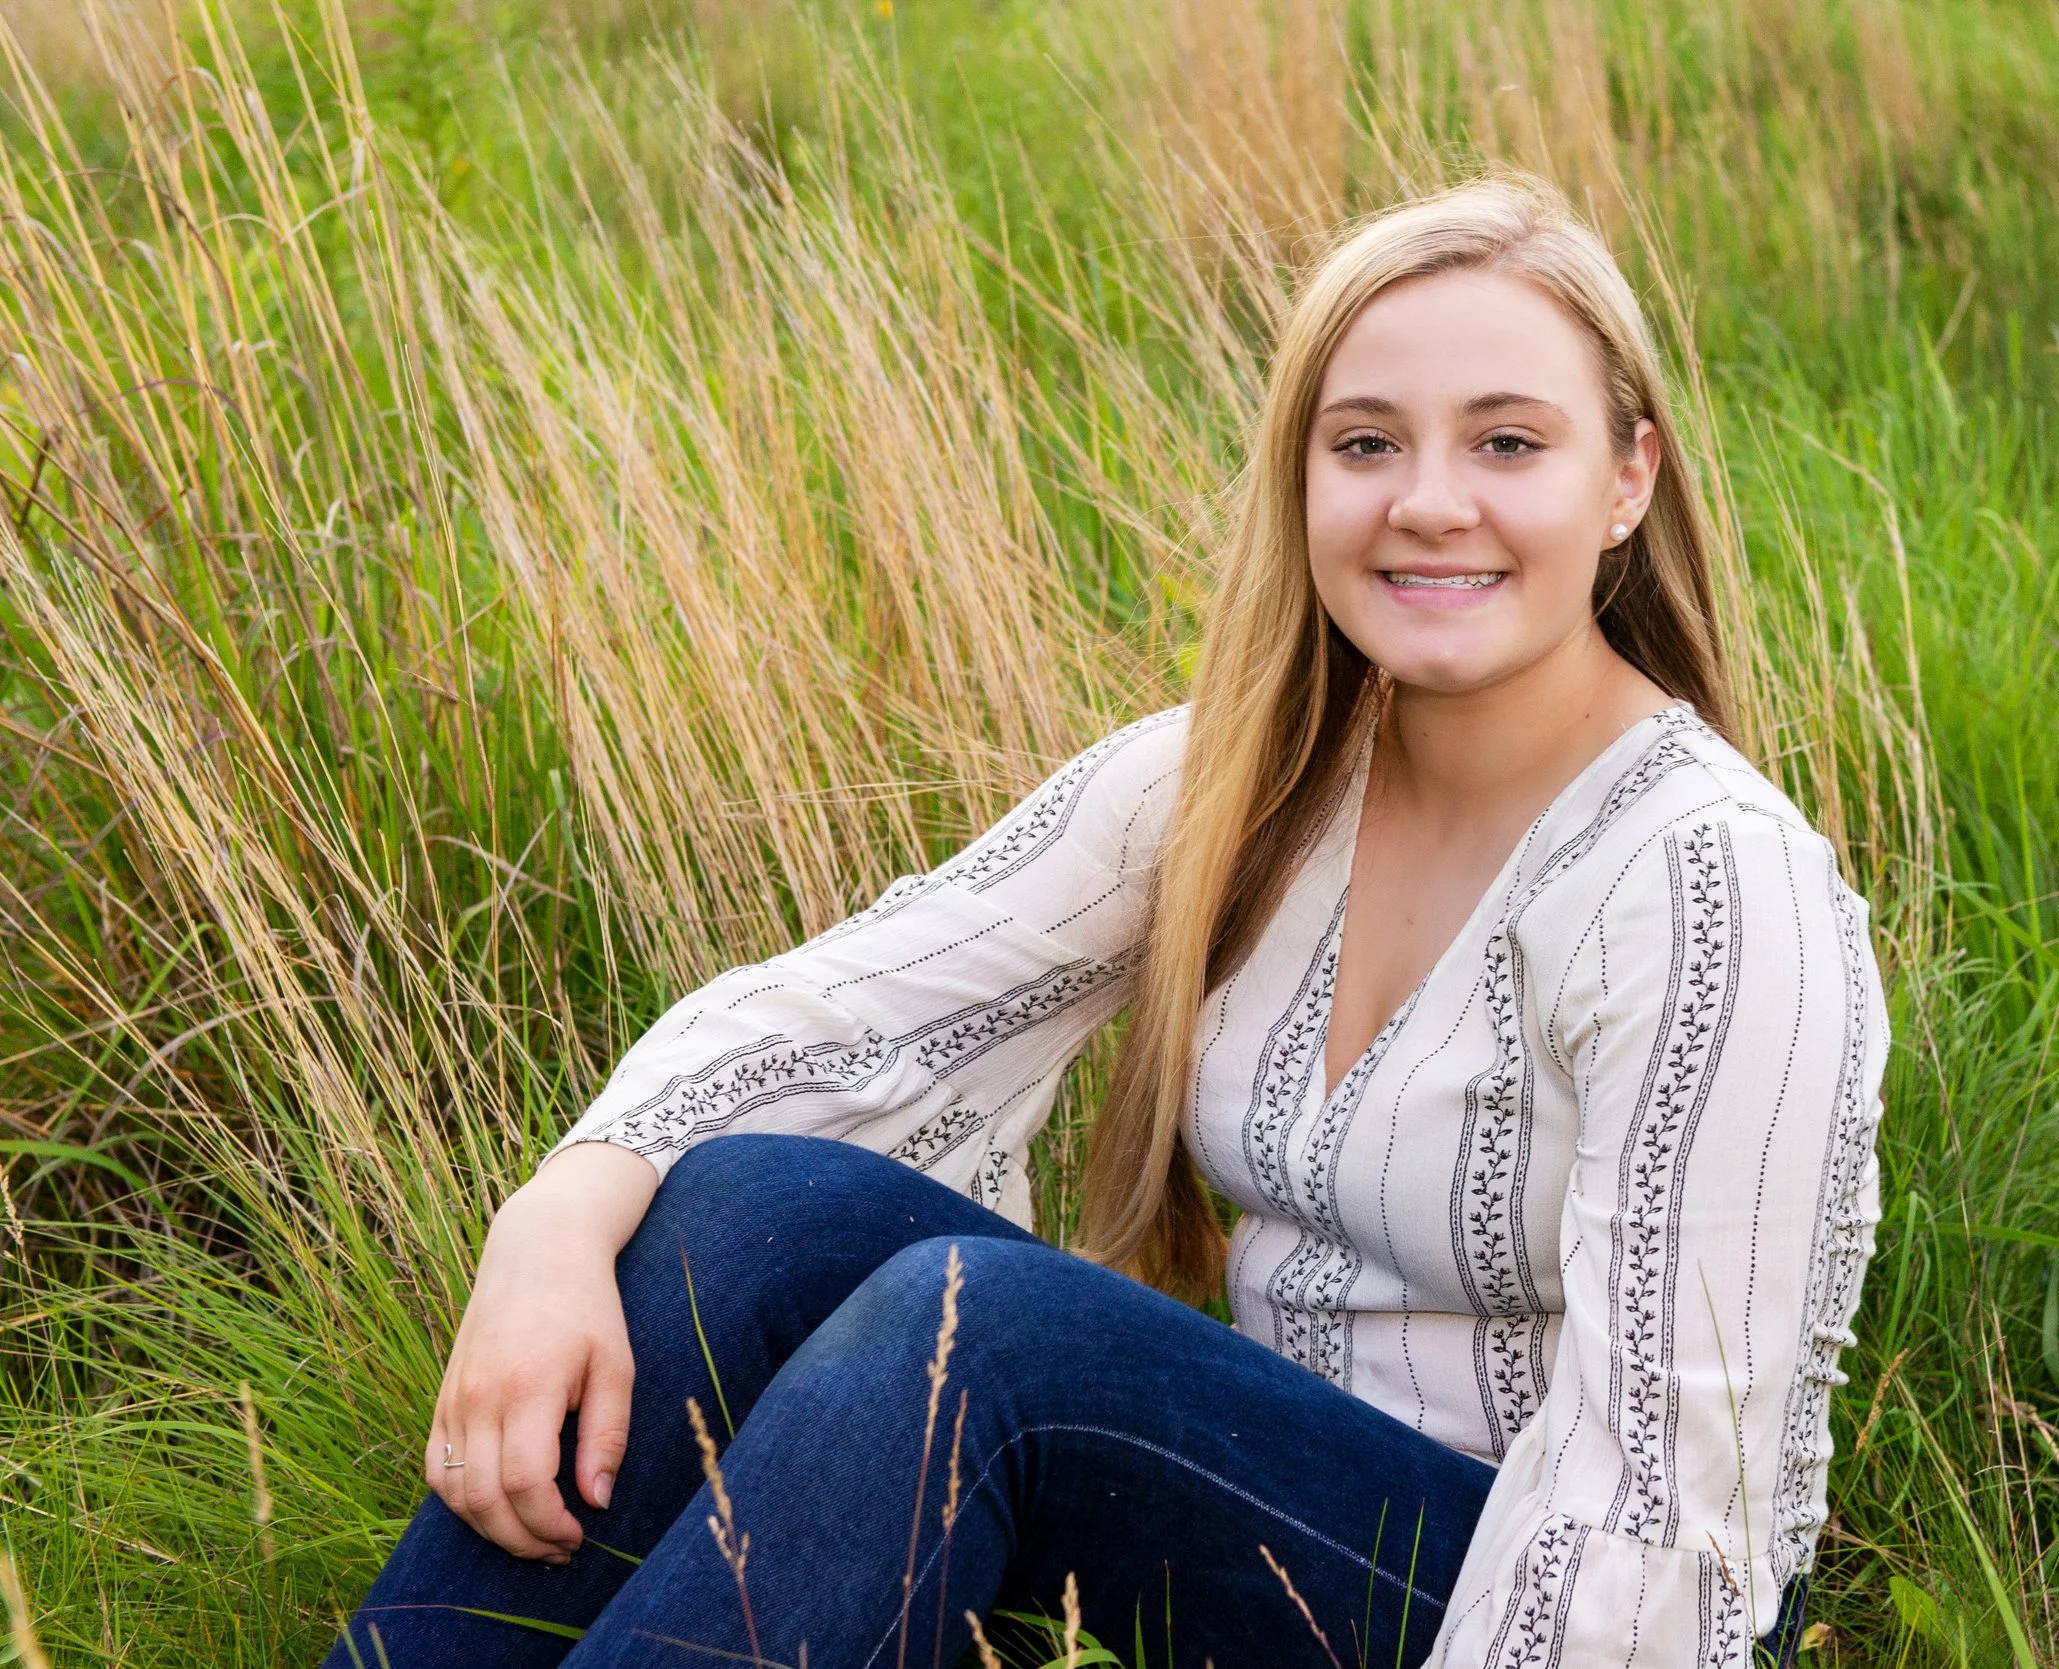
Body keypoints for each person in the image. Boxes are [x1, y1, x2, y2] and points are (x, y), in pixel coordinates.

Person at [329, 173, 1889, 1669]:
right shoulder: (1239, 781)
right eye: (1366, 442)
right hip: (1244, 1505)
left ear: (1627, 478)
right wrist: (552, 1219)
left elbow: (1669, 1495)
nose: (1429, 503)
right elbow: (855, 1010)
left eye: (1506, 441)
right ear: (1304, 479)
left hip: (1530, 1596)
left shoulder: (1707, 884)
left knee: (983, 1338)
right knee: (752, 1205)